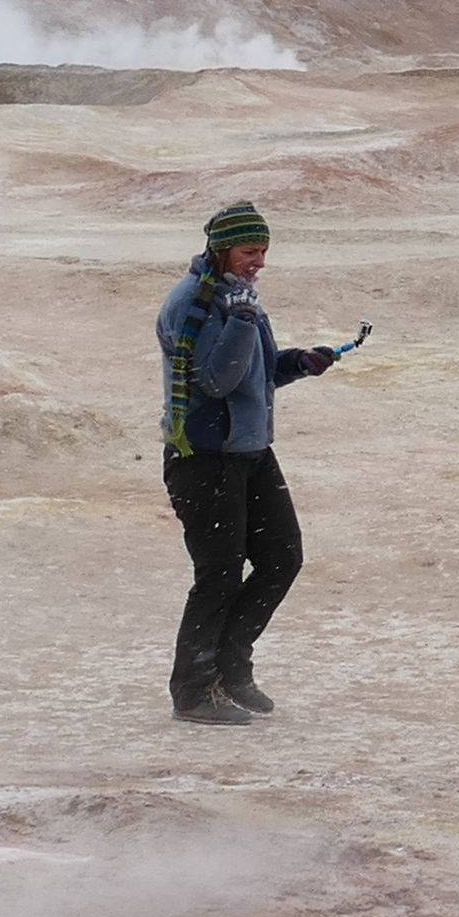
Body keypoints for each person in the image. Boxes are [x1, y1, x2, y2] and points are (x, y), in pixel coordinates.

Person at [153, 199, 352, 725]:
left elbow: (250, 376)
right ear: (221, 249)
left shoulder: (237, 298)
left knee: (282, 557)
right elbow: (216, 381)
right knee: (217, 574)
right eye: (249, 250)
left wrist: (299, 363)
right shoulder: (190, 305)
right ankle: (193, 690)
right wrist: (242, 316)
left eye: (264, 250)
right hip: (204, 459)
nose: (259, 260)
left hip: (250, 453)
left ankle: (230, 667)